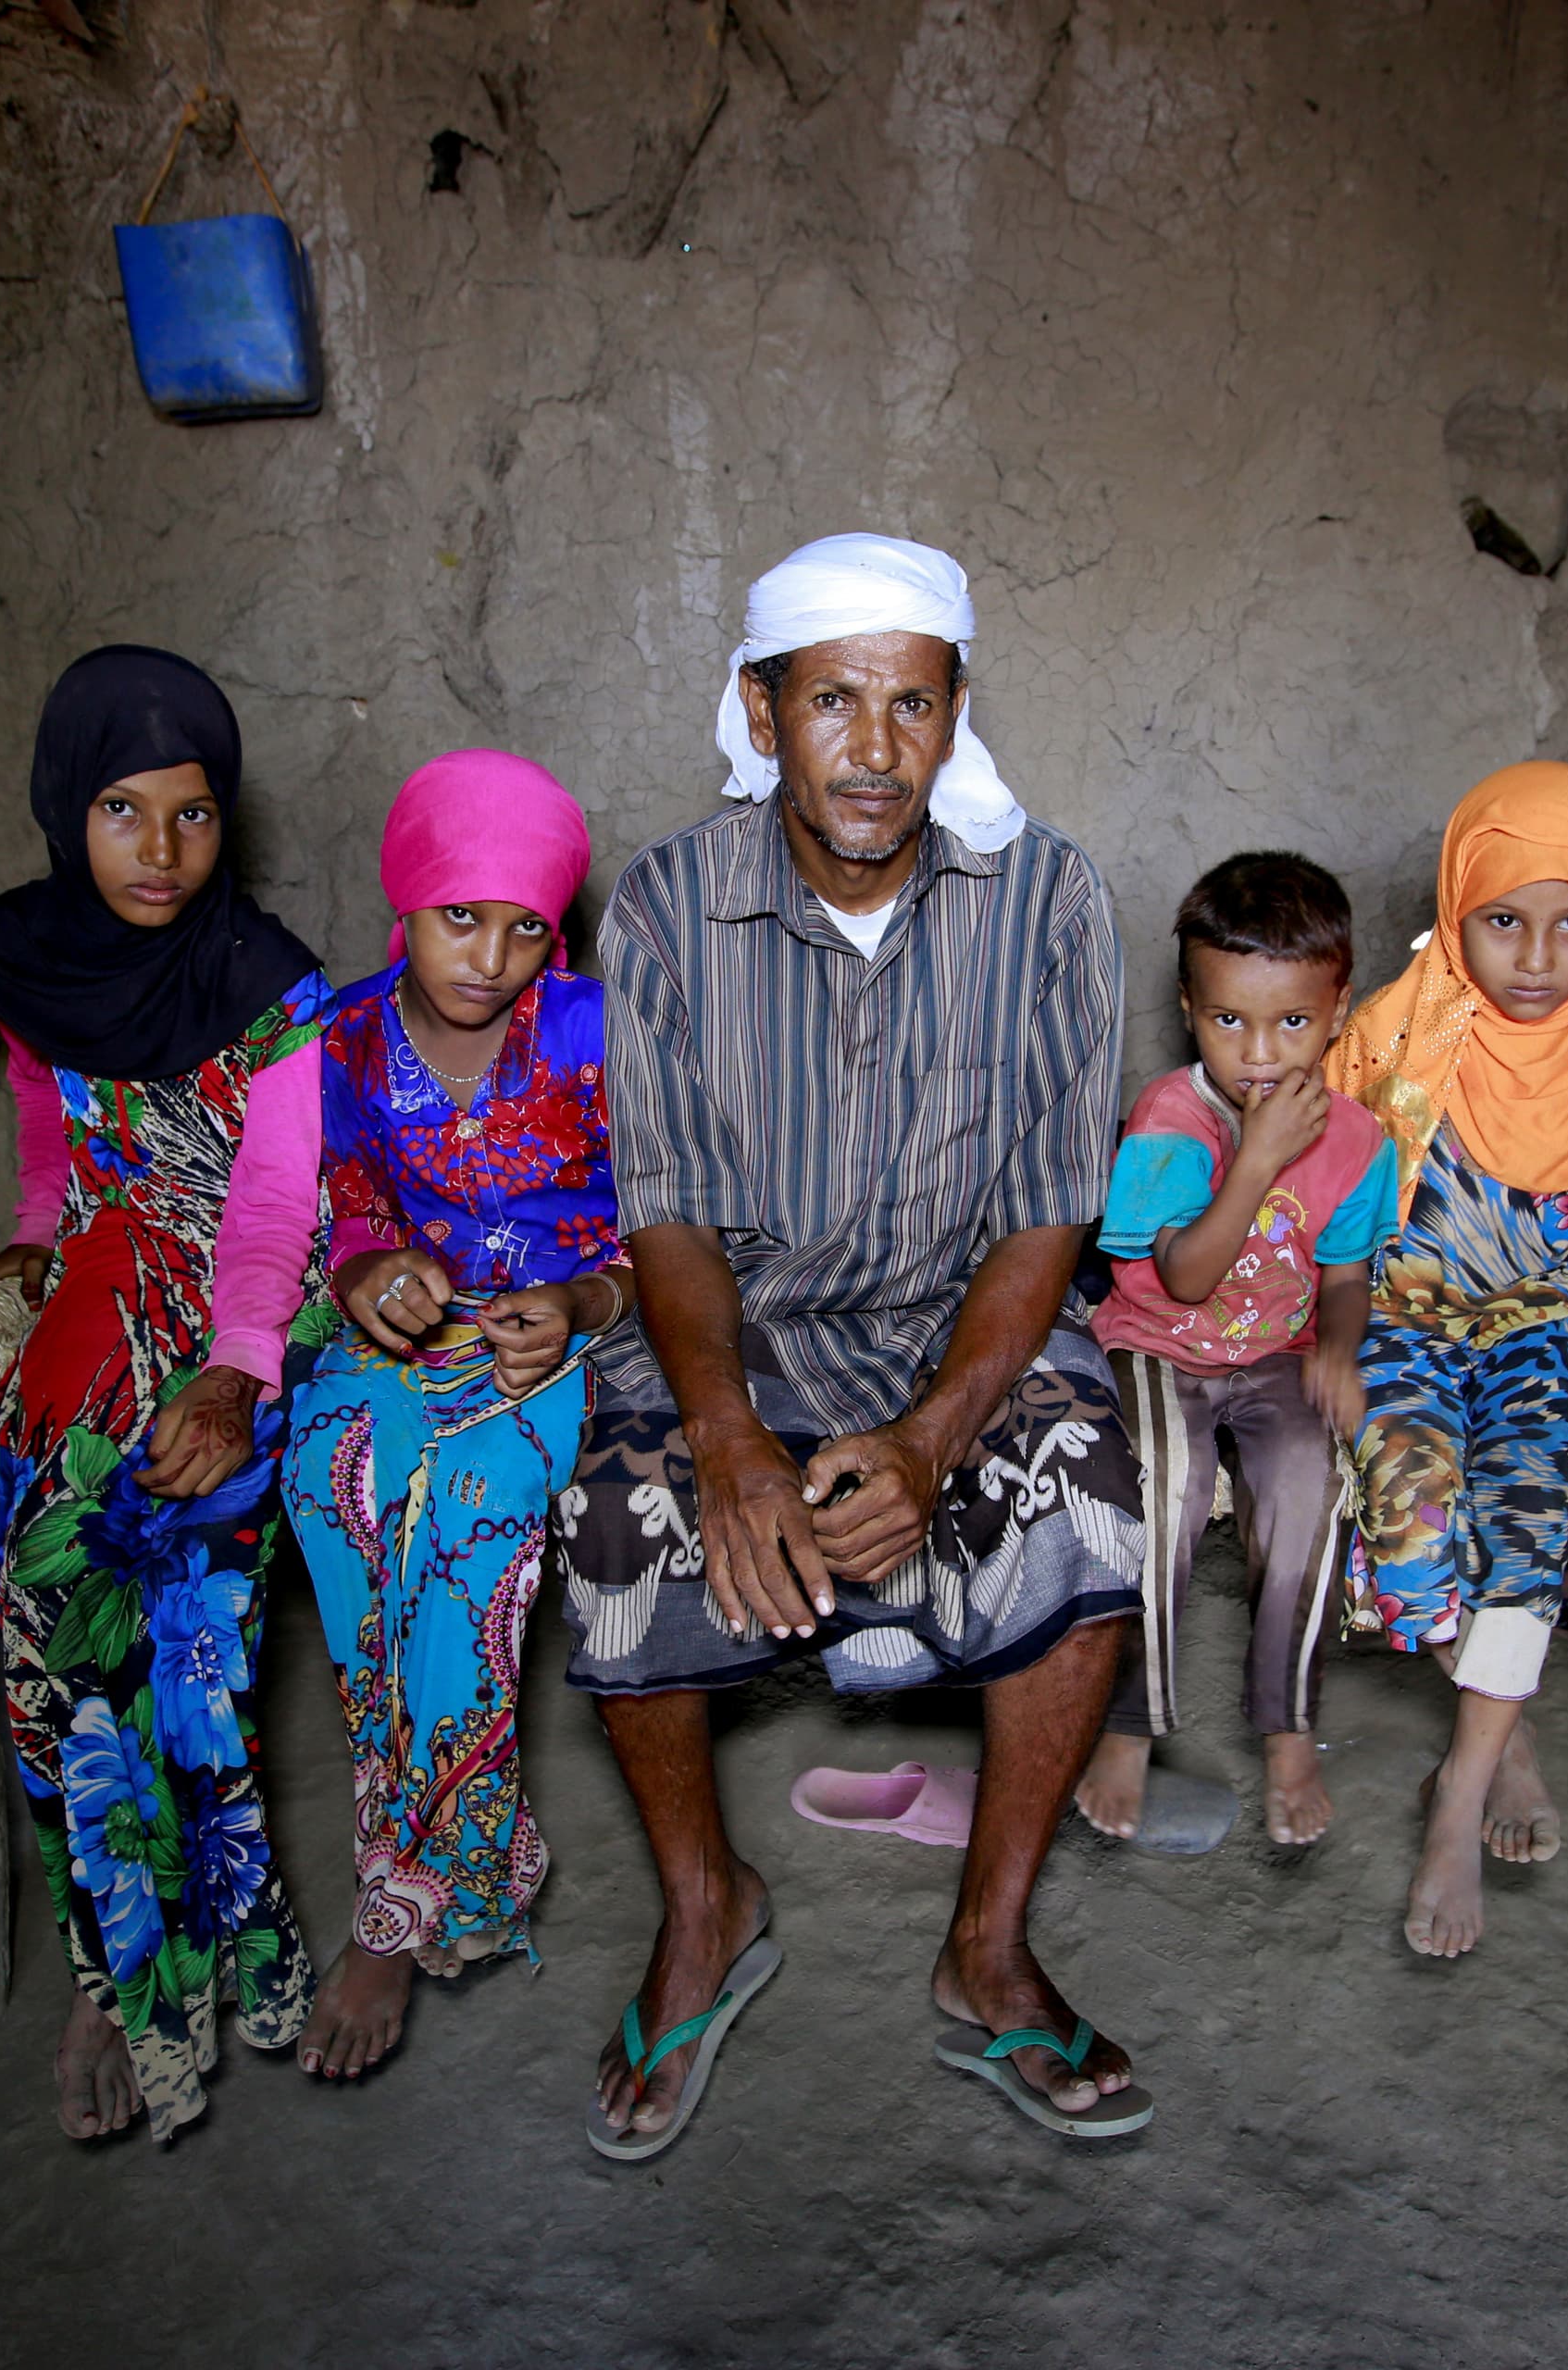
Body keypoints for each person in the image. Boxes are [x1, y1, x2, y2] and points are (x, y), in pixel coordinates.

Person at [556, 531, 1151, 2156]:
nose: (876, 750)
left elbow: (1047, 1212)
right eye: (832, 701)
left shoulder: (1049, 897)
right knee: (617, 1518)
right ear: (763, 708)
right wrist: (730, 1436)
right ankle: (707, 1904)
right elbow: (665, 1211)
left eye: (912, 704)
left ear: (957, 714)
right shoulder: (672, 905)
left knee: (1090, 1486)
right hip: (740, 1329)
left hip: (972, 1322)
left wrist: (937, 1436)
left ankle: (987, 1947)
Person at [190, 749, 629, 2084]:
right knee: (340, 1483)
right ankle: (457, 1834)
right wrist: (365, 1264)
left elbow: (680, 1225)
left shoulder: (597, 1035)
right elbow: (336, 1200)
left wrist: (585, 1303)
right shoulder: (344, 1037)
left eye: (523, 928)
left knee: (477, 1510)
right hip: (403, 1331)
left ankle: (403, 1899)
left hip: (564, 1329)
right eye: (458, 917)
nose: (491, 957)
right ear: (405, 902)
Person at [0, 645, 330, 2144]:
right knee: (40, 1638)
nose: (161, 852)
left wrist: (237, 1379)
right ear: (67, 809)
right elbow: (54, 1155)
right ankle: (117, 1974)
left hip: (238, 1320)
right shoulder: (22, 964)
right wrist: (33, 1257)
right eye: (121, 810)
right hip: (95, 1306)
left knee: (178, 1613)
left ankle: (222, 1953)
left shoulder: (272, 986)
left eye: (192, 814)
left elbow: (276, 1208)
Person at [1325, 761, 1568, 1960]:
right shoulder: (1398, 1036)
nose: (1537, 958)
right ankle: (1504, 1720)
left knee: (1527, 1538)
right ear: (1457, 907)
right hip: (1406, 1326)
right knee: (1416, 1532)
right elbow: (1325, 1201)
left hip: (1542, 1341)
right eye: (1504, 921)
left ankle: (1460, 1798)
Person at [1078, 853, 1399, 1851]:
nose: (1259, 1052)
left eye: (1292, 1022)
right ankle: (1130, 1723)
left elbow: (1345, 1278)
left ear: (1338, 1007)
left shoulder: (1357, 1140)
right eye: (1229, 1020)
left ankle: (1288, 1722)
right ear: (1189, 1009)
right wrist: (1256, 1156)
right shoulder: (1171, 1123)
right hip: (1157, 1344)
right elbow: (1183, 1279)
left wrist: (1341, 1350)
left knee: (1313, 1481)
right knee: (1163, 1487)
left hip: (1276, 1352)